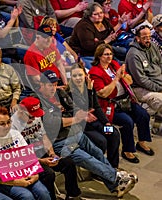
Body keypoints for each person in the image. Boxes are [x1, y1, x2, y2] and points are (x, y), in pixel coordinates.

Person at [37, 69, 138, 198]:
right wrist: (74, 118)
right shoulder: (40, 100)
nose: (53, 88)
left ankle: (115, 181)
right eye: (50, 85)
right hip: (60, 140)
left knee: (109, 138)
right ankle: (116, 177)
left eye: (55, 84)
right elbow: (52, 123)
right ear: (41, 84)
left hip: (80, 130)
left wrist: (106, 123)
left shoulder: (64, 92)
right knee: (88, 153)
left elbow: (86, 108)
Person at [89, 43, 154, 164]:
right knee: (127, 121)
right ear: (99, 56)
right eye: (106, 55)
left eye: (110, 54)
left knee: (143, 114)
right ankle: (127, 150)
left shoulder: (113, 65)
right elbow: (102, 93)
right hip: (110, 105)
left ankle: (142, 142)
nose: (109, 57)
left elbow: (129, 81)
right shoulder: (95, 72)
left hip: (125, 100)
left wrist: (124, 76)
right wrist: (116, 79)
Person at [11, 97, 82, 200]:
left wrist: (52, 153)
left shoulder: (35, 116)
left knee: (69, 163)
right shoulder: (12, 125)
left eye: (36, 116)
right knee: (48, 174)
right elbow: (19, 154)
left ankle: (73, 195)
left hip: (41, 151)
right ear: (21, 111)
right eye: (31, 117)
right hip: (27, 159)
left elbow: (44, 136)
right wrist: (42, 161)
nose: (34, 119)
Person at [0, 106, 51, 200]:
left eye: (8, 122)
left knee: (43, 193)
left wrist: (35, 174)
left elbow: (29, 157)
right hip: (3, 182)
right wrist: (17, 182)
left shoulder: (15, 134)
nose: (7, 126)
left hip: (23, 173)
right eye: (2, 124)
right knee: (27, 196)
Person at [69, 63, 120, 168]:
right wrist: (89, 90)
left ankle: (112, 167)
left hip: (95, 123)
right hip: (83, 127)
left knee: (113, 133)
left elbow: (96, 108)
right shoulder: (69, 92)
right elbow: (88, 108)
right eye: (74, 76)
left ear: (85, 75)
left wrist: (106, 122)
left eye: (80, 75)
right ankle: (99, 168)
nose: (78, 78)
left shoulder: (89, 88)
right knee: (101, 141)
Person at [126, 25, 162, 134]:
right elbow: (141, 80)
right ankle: (156, 126)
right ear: (137, 38)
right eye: (144, 37)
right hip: (140, 88)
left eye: (149, 37)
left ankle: (157, 124)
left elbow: (160, 63)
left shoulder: (153, 47)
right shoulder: (133, 54)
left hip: (158, 83)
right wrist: (158, 88)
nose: (148, 40)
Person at [68, 2, 117, 70]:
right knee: (100, 70)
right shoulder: (83, 26)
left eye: (101, 13)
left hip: (103, 51)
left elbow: (111, 32)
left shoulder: (103, 20)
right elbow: (89, 46)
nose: (100, 15)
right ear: (89, 15)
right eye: (95, 14)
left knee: (122, 53)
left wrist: (111, 38)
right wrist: (105, 41)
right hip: (86, 55)